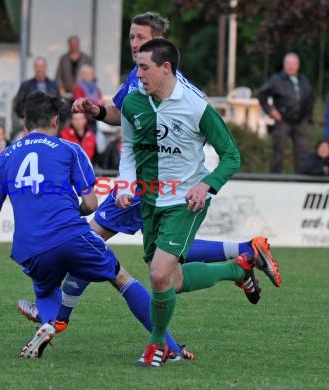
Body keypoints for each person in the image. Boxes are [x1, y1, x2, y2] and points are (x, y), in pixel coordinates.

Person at [18, 12, 274, 346]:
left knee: (89, 243)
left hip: (150, 187)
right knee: (168, 269)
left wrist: (188, 182)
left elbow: (220, 149)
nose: (133, 44)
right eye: (131, 37)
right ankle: (242, 257)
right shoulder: (140, 76)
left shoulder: (173, 87)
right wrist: (97, 112)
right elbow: (124, 118)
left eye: (140, 38)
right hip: (140, 183)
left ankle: (56, 318)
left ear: (158, 44)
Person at [0, 90, 190, 362]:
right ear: (56, 121)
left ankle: (48, 322)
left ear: (25, 123)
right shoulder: (69, 149)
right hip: (71, 234)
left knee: (45, 289)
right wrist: (72, 209)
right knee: (121, 278)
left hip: (30, 247)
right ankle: (170, 347)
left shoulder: (4, 158)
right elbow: (91, 204)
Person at [117, 38, 281, 367]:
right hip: (150, 202)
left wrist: (206, 185)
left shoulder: (195, 106)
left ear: (166, 68)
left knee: (159, 272)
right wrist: (124, 184)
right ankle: (236, 269)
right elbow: (128, 148)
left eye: (144, 68)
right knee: (170, 280)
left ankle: (158, 344)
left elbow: (231, 156)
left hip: (185, 202)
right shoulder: (133, 104)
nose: (138, 74)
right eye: (137, 67)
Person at [258, 53, 314, 173]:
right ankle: (275, 180)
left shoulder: (303, 79)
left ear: (298, 65)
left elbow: (310, 97)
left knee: (302, 152)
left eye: (293, 63)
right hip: (283, 120)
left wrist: (308, 117)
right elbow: (262, 94)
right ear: (284, 65)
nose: (291, 66)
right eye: (288, 63)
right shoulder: (276, 79)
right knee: (278, 151)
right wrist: (271, 110)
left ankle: (301, 180)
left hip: (300, 121)